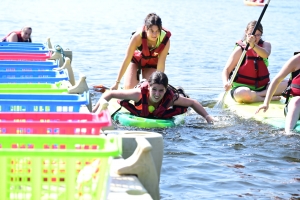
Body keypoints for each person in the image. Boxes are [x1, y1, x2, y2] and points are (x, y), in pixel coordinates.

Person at [93, 71, 214, 124]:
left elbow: (192, 102)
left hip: (173, 97)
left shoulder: (170, 98)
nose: (157, 94)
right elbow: (109, 93)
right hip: (142, 95)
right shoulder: (138, 94)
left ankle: (180, 90)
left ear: (166, 90)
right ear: (149, 87)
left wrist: (207, 117)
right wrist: (93, 112)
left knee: (182, 99)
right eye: (154, 89)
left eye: (161, 90)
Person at [222, 20, 288, 103]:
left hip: (262, 87)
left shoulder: (266, 45)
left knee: (289, 84)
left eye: (258, 35)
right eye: (251, 34)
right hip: (241, 88)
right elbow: (226, 70)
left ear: (261, 34)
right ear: (246, 32)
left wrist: (253, 45)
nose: (254, 37)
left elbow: (265, 54)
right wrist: (225, 83)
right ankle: (264, 97)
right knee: (243, 93)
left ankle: (258, 95)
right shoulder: (240, 49)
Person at [111, 13, 170, 90]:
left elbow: (161, 65)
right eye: (152, 31)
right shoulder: (137, 37)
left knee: (152, 88)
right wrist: (117, 83)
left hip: (151, 64)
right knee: (130, 88)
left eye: (157, 31)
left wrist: (160, 86)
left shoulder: (165, 40)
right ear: (146, 28)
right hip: (136, 61)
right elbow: (127, 59)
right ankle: (127, 85)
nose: (154, 34)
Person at [256, 53, 300, 134]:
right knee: (297, 100)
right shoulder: (296, 60)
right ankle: (288, 134)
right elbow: (276, 80)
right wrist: (266, 103)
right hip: (296, 107)